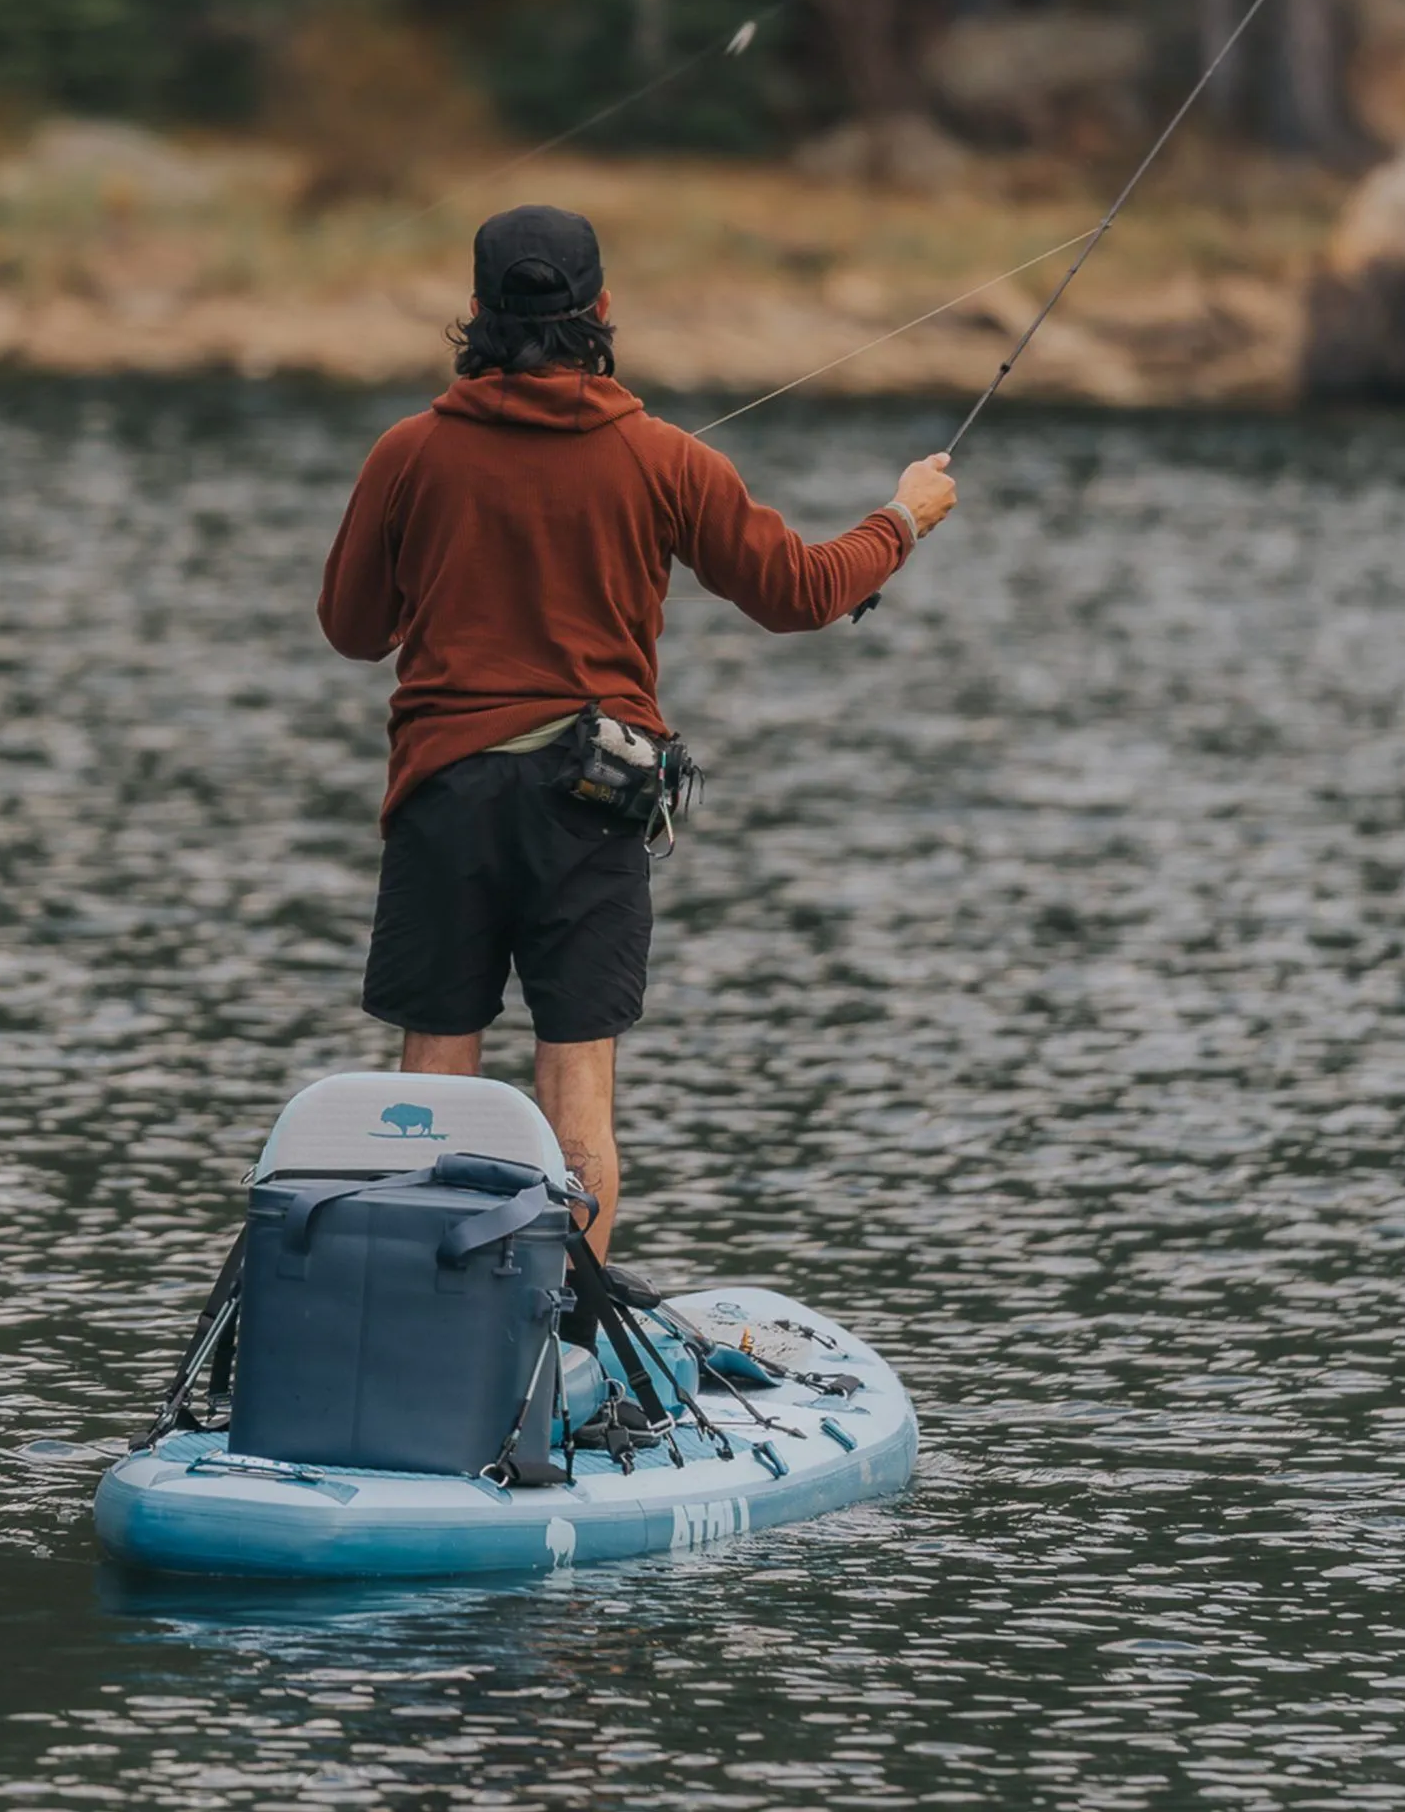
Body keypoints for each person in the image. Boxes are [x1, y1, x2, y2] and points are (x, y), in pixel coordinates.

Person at [318, 204, 957, 1259]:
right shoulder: (664, 458)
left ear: (474, 314)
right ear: (601, 310)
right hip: (591, 802)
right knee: (575, 1079)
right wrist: (901, 518)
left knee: (434, 1066)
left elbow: (350, 631)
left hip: (447, 796)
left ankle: (414, 1317)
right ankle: (563, 1333)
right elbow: (799, 591)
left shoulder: (407, 452)